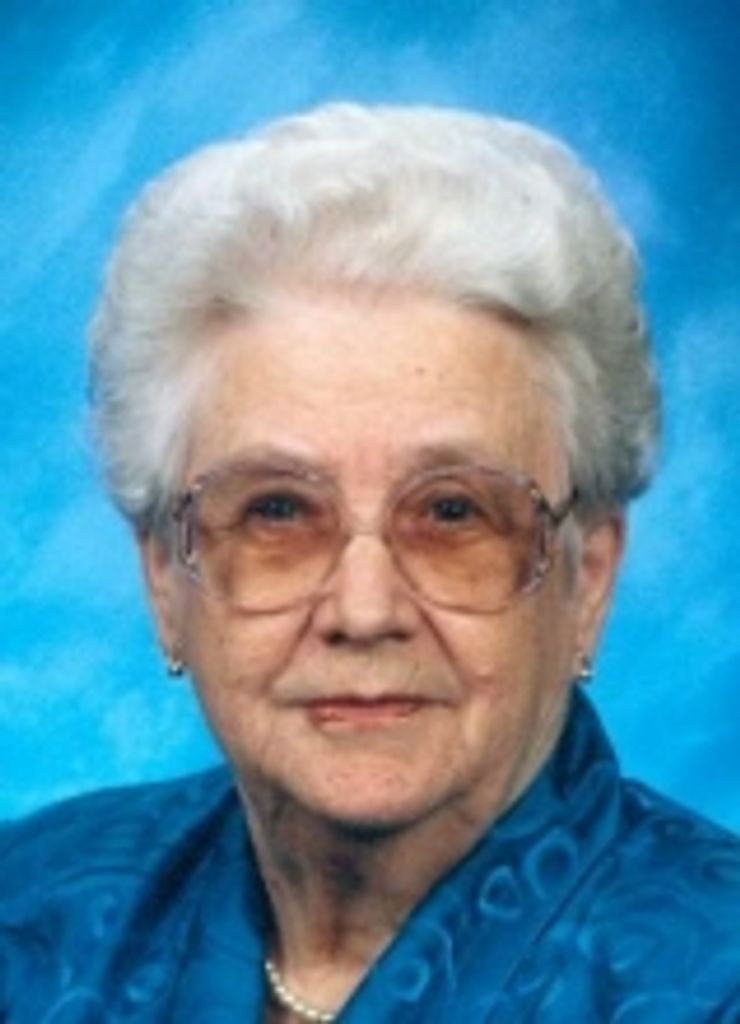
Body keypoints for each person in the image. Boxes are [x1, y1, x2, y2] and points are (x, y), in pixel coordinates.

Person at [1, 103, 738, 1024]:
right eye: (276, 511)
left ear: (586, 578)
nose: (363, 609)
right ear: (163, 578)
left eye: (453, 512)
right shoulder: (26, 912)